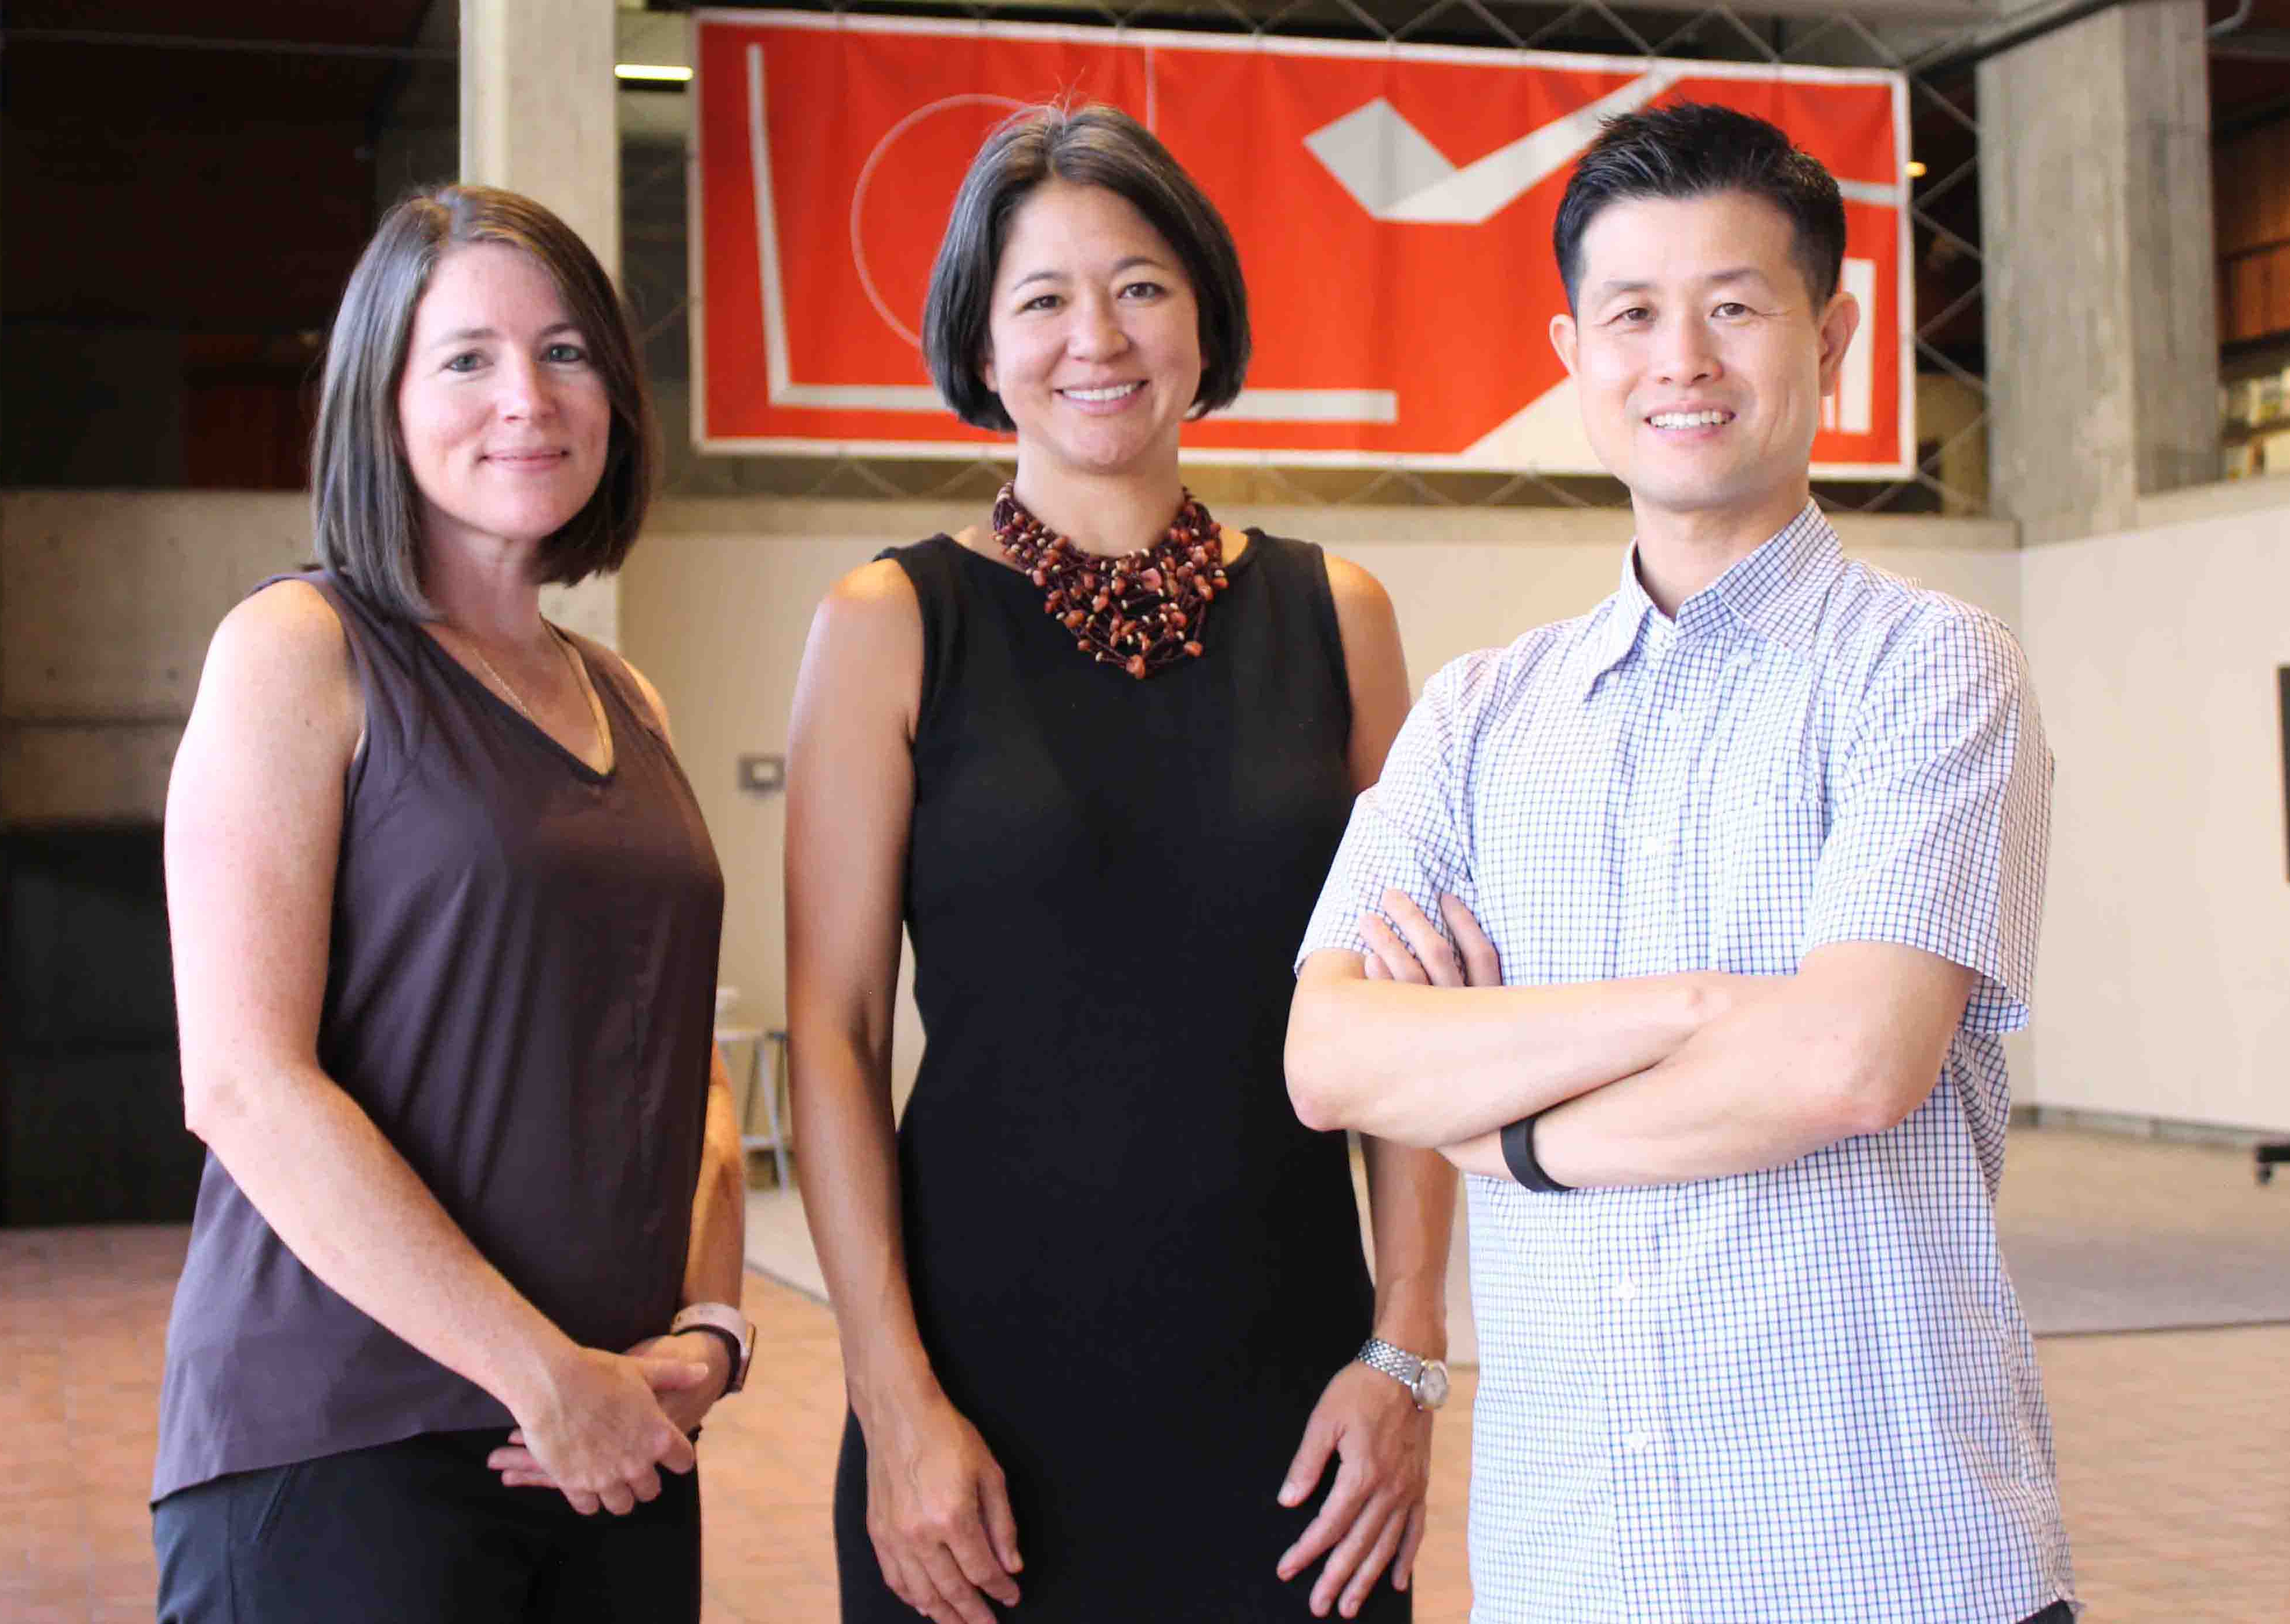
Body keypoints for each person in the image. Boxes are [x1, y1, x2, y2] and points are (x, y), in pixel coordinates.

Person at [1286, 103, 2079, 1623]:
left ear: (1831, 336)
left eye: (1734, 307)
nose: (1682, 359)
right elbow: (1330, 1056)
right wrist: (1714, 1013)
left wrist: (1510, 1127)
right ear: (1571, 346)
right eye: (1634, 314)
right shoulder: (1474, 717)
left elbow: (1852, 1062)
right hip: (1575, 1563)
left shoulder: (1928, 675)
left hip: (1886, 1553)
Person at [784, 103, 1460, 1624]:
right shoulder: (891, 624)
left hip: (1296, 1411)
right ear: (981, 339)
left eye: (1142, 284)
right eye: (1043, 296)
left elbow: (1411, 1023)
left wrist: (1405, 1349)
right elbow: (830, 1034)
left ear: (1205, 319)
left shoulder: (1335, 615)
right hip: (976, 1406)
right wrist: (892, 1399)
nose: (1098, 333)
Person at [151, 184, 753, 1624]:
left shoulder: (629, 698)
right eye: (468, 358)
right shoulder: (301, 652)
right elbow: (243, 1084)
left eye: (566, 353)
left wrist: (711, 1326)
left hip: (610, 1444)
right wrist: (540, 1373)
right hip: (350, 1439)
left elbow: (687, 1061)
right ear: (385, 397)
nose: (526, 399)